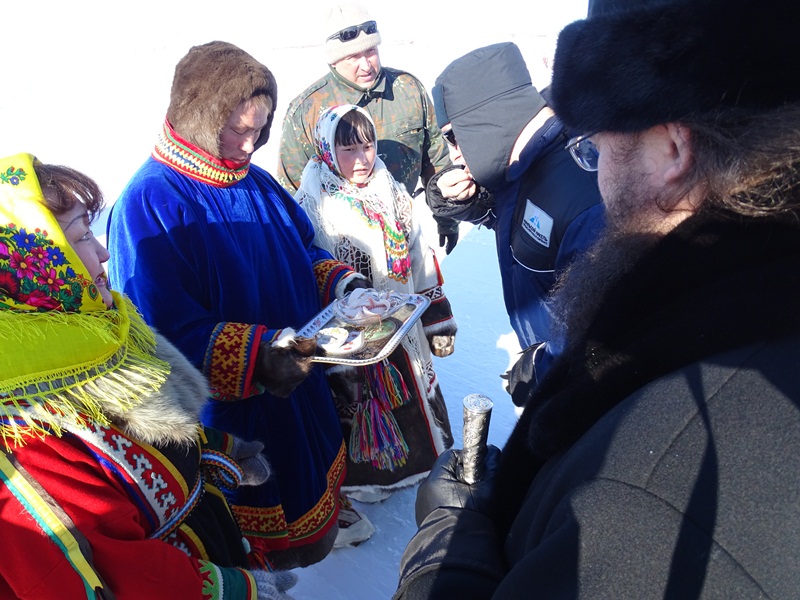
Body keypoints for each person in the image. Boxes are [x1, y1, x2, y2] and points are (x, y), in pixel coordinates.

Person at [395, 0, 800, 597]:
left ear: (672, 148)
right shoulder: (740, 313)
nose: (596, 176)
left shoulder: (646, 472)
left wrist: (444, 554)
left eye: (599, 150)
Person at [106, 41, 368, 570]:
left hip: (299, 387)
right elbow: (161, 330)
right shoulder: (149, 203)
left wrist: (344, 288)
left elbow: (304, 251)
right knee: (248, 546)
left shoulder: (256, 181)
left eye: (260, 130)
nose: (249, 145)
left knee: (307, 488)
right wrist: (260, 358)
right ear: (199, 118)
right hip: (235, 416)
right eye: (237, 129)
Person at [0, 152, 296, 599]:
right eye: (81, 236)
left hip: (198, 542)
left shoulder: (96, 336)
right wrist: (231, 590)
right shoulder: (26, 423)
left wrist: (213, 447)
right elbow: (108, 567)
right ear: (36, 262)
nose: (103, 252)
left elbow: (132, 434)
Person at [294, 104, 456, 513]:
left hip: (402, 323)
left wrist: (437, 320)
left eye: (367, 146)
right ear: (327, 151)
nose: (362, 159)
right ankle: (371, 477)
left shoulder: (392, 191)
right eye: (348, 149)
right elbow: (307, 269)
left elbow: (420, 255)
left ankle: (422, 462)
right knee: (360, 401)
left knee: (411, 386)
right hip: (350, 338)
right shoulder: (313, 204)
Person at [427, 42, 605, 392]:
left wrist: (543, 368)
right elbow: (506, 216)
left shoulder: (584, 202)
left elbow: (603, 340)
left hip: (579, 390)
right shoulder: (521, 163)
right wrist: (455, 198)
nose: (455, 155)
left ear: (486, 119)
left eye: (455, 138)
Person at [277, 2, 461, 255]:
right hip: (338, 247)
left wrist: (447, 218)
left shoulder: (407, 90)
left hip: (401, 234)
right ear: (334, 60)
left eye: (371, 52)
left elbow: (436, 160)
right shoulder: (307, 110)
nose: (366, 65)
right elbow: (291, 192)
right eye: (353, 57)